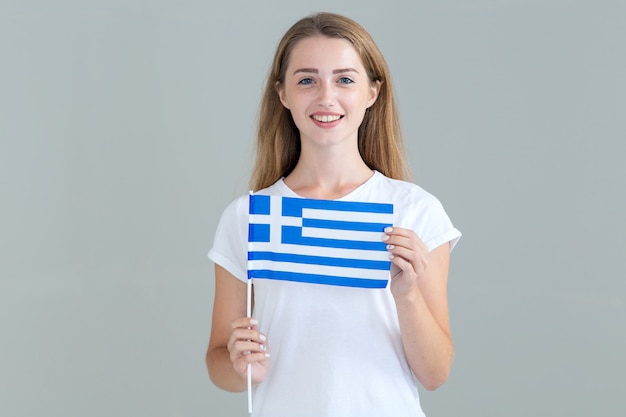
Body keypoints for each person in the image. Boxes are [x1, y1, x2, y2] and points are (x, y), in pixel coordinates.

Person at [206, 12, 461, 417]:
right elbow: (219, 363)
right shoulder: (248, 218)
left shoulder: (416, 211)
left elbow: (435, 373)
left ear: (372, 92)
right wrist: (240, 367)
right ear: (283, 93)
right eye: (307, 79)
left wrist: (408, 293)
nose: (326, 97)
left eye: (344, 79)